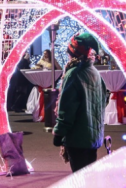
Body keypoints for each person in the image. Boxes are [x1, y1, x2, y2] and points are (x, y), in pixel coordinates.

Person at [52, 33, 107, 172]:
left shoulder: (73, 74)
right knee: (89, 177)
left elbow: (67, 108)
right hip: (93, 137)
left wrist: (59, 133)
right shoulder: (94, 72)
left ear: (73, 53)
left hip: (78, 138)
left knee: (80, 178)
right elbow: (102, 101)